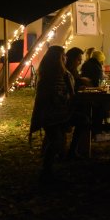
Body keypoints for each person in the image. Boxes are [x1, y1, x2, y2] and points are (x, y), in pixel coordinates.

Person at [29, 45, 75, 184]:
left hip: (53, 114)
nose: (65, 58)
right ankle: (46, 172)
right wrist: (68, 97)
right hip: (52, 114)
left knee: (56, 140)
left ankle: (50, 170)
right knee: (56, 141)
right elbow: (57, 95)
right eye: (63, 56)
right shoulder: (54, 75)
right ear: (58, 58)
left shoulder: (50, 73)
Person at [80, 49, 110, 141]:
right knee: (104, 104)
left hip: (85, 94)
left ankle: (99, 130)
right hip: (93, 95)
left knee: (104, 104)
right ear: (100, 59)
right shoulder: (97, 67)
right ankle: (99, 131)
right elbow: (98, 83)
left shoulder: (86, 64)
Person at [64, 47, 90, 159]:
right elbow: (69, 90)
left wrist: (80, 85)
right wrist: (80, 84)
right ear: (71, 59)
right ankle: (73, 150)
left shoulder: (72, 71)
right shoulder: (66, 72)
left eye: (81, 59)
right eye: (78, 59)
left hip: (68, 107)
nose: (80, 62)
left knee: (85, 111)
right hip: (63, 110)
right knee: (84, 119)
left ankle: (74, 149)